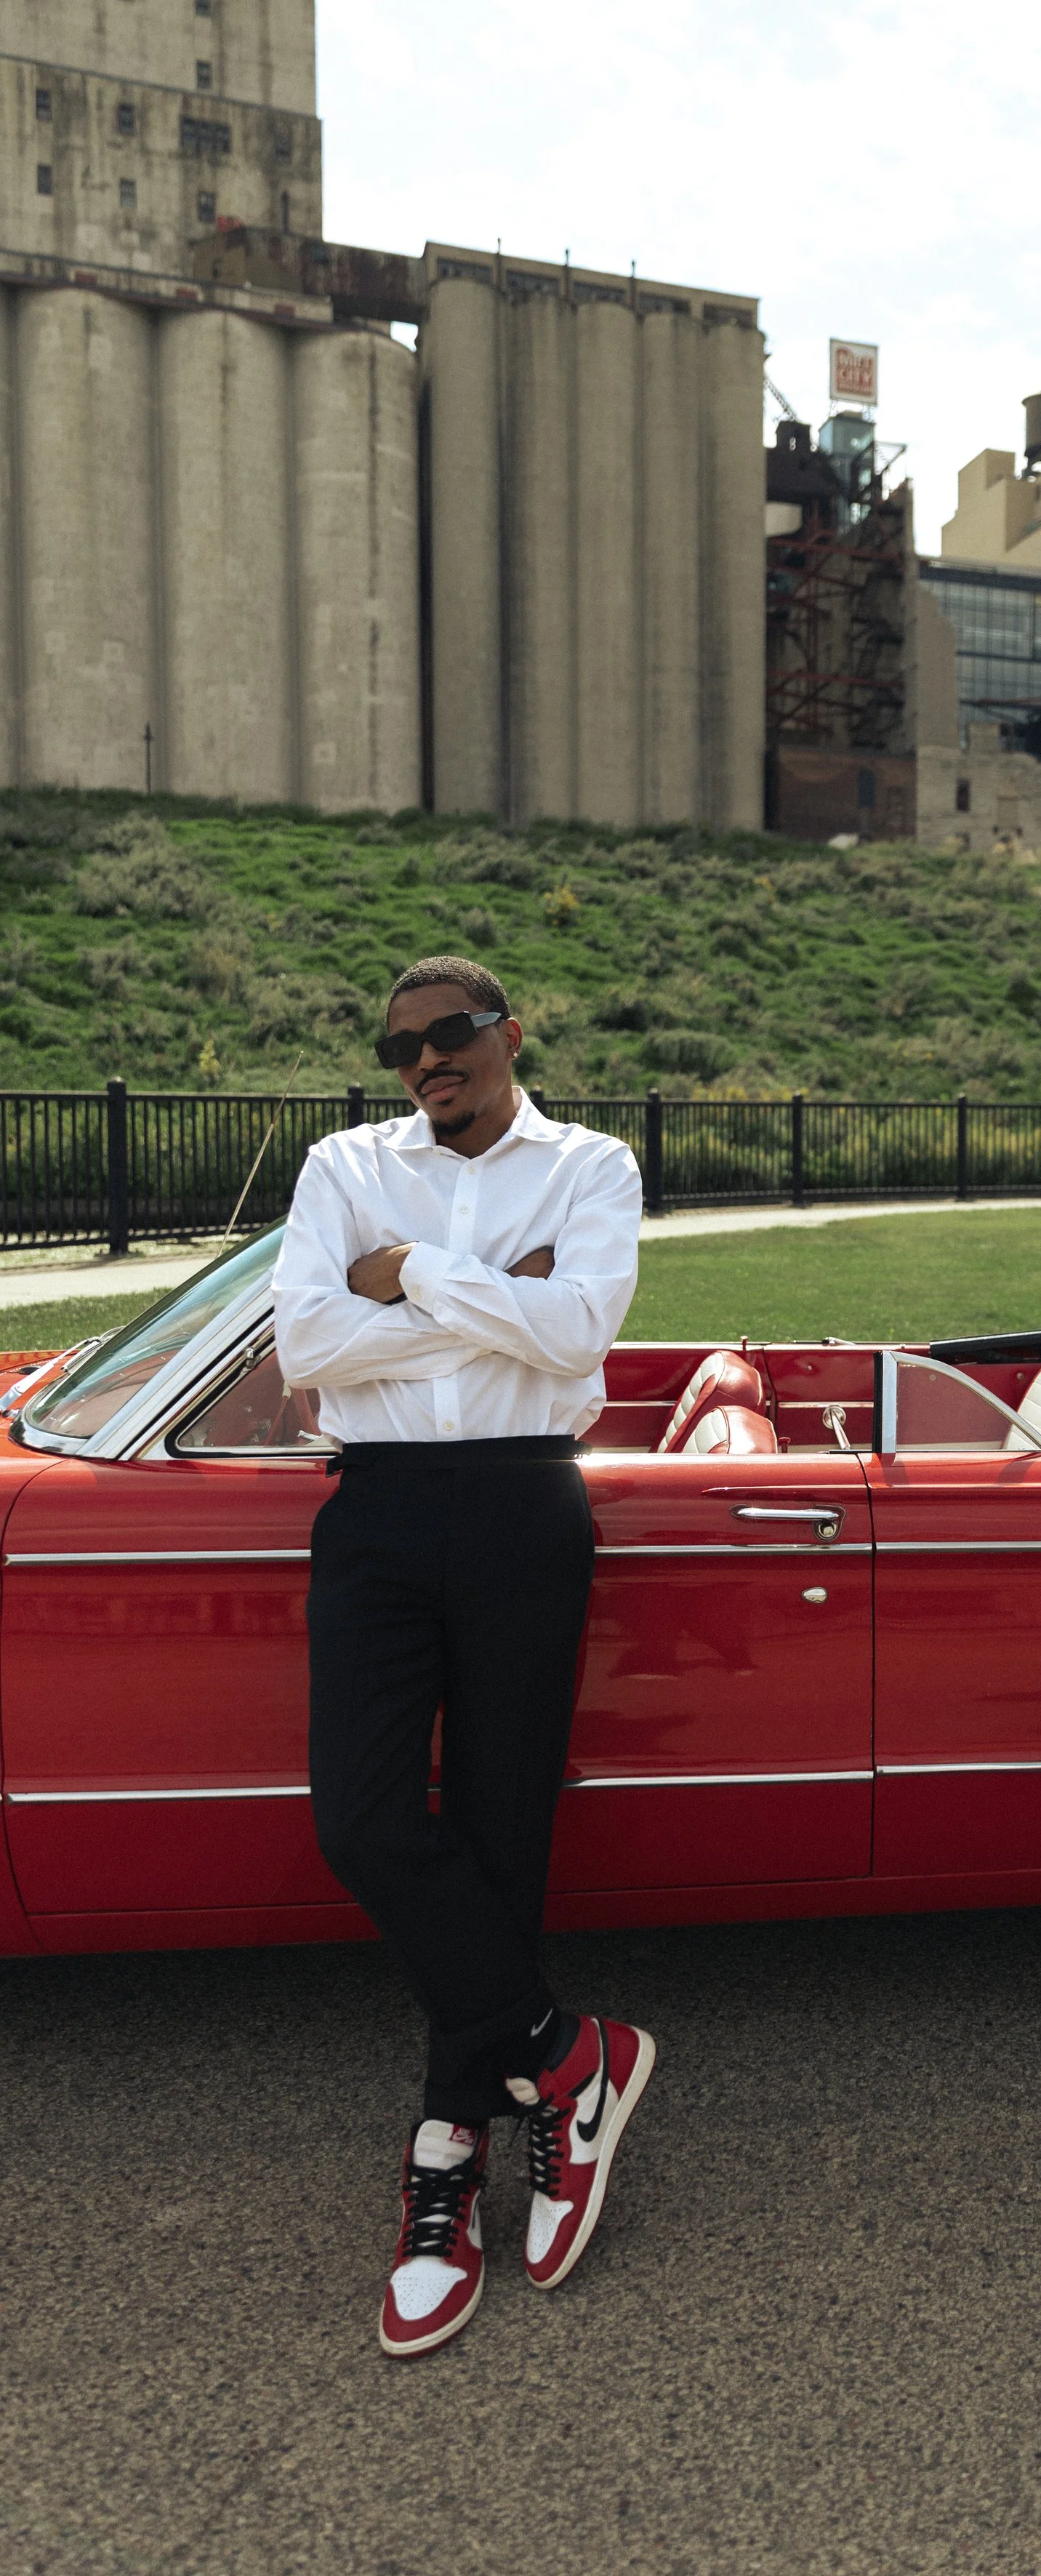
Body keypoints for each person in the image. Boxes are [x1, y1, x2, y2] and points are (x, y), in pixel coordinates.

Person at [273, 956, 651, 2357]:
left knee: (502, 1826)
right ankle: (566, 2055)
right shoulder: (342, 1161)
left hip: (522, 1503)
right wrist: (498, 1293)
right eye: (402, 1046)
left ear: (506, 1031)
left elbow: (580, 1332)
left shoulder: (593, 1163)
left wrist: (414, 1275)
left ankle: (450, 2152)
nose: (426, 1061)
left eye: (450, 1035)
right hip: (374, 1509)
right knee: (362, 1819)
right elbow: (306, 1342)